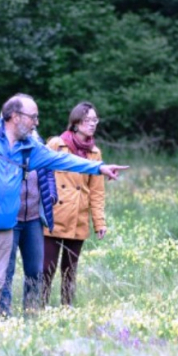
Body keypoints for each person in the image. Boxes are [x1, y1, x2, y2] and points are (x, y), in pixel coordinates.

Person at [0, 94, 127, 324]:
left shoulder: (29, 148)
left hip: (5, 226)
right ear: (15, 117)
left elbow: (62, 160)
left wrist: (99, 168)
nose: (37, 122)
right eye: (33, 117)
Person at [41, 101, 107, 307]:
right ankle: (38, 307)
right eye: (87, 120)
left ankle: (67, 308)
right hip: (53, 217)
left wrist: (99, 222)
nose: (92, 124)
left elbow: (96, 191)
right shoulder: (56, 144)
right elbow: (40, 176)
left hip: (78, 217)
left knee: (70, 269)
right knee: (46, 268)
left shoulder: (95, 152)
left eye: (95, 120)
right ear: (76, 122)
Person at [0, 127, 56, 317]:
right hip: (10, 220)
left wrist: (52, 194)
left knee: (35, 271)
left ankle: (31, 314)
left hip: (33, 220)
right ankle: (4, 314)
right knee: (6, 270)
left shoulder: (39, 148)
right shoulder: (4, 149)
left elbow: (49, 175)